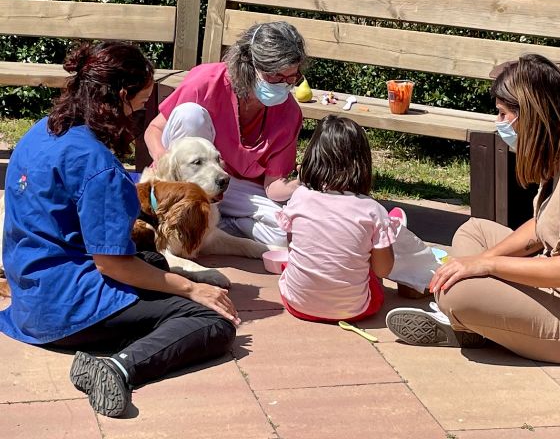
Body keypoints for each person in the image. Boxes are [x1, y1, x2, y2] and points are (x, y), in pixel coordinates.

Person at [0, 41, 240, 417]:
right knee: (211, 320)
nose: (144, 111)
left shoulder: (41, 132)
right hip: (65, 309)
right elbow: (113, 265)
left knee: (153, 262)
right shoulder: (98, 164)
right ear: (121, 97)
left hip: (30, 289)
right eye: (142, 102)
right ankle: (117, 367)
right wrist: (192, 288)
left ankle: (130, 332)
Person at [386, 54, 560, 364]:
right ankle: (482, 323)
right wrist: (476, 261)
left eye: (505, 114)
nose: (500, 124)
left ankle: (474, 321)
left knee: (457, 293)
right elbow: (540, 228)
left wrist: (487, 267)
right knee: (474, 231)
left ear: (532, 114)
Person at [144, 21, 307, 247]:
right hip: (189, 180)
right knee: (190, 114)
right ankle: (182, 211)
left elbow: (273, 186)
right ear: (248, 65)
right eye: (275, 77)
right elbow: (154, 130)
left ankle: (215, 225)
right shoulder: (205, 82)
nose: (284, 85)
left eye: (292, 78)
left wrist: (303, 182)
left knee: (284, 232)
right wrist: (165, 162)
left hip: (233, 189)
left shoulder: (289, 113)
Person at [276, 115, 402, 322]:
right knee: (372, 279)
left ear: (312, 157)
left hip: (297, 304)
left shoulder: (299, 197)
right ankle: (388, 231)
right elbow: (383, 270)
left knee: (294, 267)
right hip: (355, 310)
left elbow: (293, 248)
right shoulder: (372, 210)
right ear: (362, 163)